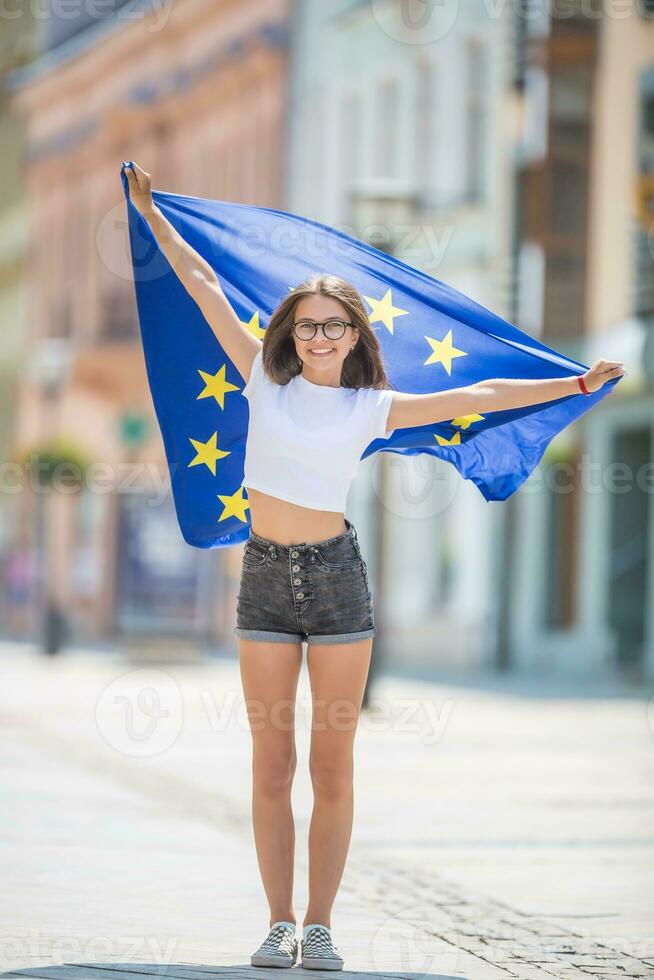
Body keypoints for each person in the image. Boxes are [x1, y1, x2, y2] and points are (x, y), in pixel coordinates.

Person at [124, 162, 624, 971]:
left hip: (336, 579)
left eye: (334, 326)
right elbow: (205, 282)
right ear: (291, 333)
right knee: (270, 762)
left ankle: (320, 924)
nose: (320, 337)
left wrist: (575, 380)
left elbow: (486, 393)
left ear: (356, 335)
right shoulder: (260, 374)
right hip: (264, 578)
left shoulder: (372, 406)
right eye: (308, 326)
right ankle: (277, 922)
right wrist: (151, 213)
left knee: (331, 763)